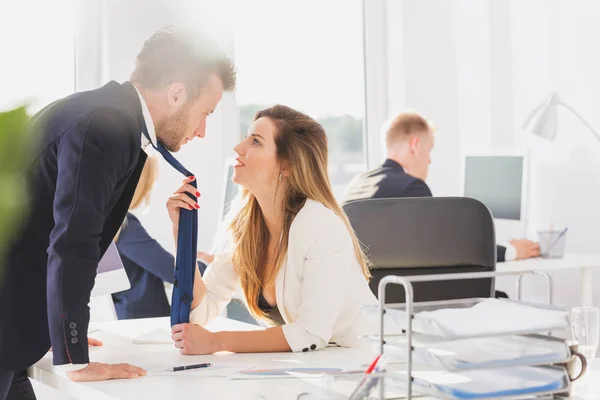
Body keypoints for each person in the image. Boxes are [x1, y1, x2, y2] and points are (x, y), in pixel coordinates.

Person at [0, 27, 235, 399]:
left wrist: (57, 333)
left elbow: (39, 230)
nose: (203, 131)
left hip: (13, 336)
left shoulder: (102, 113)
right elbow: (73, 242)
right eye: (204, 113)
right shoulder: (107, 126)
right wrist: (74, 357)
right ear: (176, 94)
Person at [167, 105, 377, 355]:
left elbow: (310, 333)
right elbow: (201, 311)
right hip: (320, 363)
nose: (238, 148)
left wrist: (217, 341)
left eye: (255, 142)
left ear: (286, 165)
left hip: (369, 358)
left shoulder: (318, 223)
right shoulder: (245, 227)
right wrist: (182, 232)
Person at [342, 110, 540, 262]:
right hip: (411, 299)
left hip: (372, 302)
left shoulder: (356, 184)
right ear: (415, 145)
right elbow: (450, 246)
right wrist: (512, 251)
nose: (429, 161)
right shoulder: (411, 188)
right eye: (429, 151)